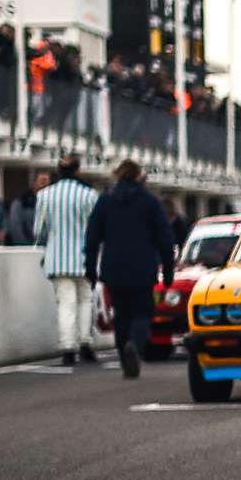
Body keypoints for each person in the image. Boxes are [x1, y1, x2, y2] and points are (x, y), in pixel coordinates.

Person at [83, 159, 176, 379]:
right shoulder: (149, 202)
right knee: (143, 313)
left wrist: (90, 267)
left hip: (114, 267)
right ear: (138, 177)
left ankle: (125, 357)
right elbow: (165, 237)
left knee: (121, 314)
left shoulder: (105, 201)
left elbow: (92, 237)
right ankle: (135, 344)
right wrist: (169, 268)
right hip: (143, 267)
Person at [34, 155, 104, 365]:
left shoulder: (45, 196)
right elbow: (96, 229)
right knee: (86, 300)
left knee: (65, 303)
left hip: (57, 258)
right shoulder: (90, 195)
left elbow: (39, 230)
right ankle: (85, 343)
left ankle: (67, 347)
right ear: (78, 171)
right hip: (85, 257)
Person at [0, 170, 42, 247]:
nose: (45, 185)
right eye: (42, 181)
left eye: (47, 181)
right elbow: (16, 230)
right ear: (34, 183)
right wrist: (26, 249)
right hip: (27, 249)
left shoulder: (50, 203)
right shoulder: (21, 203)